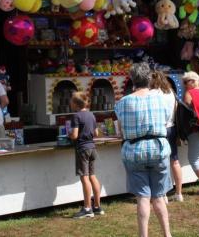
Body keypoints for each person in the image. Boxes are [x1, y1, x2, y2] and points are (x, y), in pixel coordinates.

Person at [115, 63, 172, 237]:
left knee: (143, 197)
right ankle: (167, 234)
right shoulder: (162, 98)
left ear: (132, 80)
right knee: (159, 196)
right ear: (149, 78)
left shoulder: (122, 103)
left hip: (134, 151)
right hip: (158, 149)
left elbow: (120, 132)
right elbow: (168, 122)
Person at [68, 91, 104, 218]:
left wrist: (69, 134)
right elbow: (96, 133)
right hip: (92, 148)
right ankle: (97, 207)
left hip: (82, 149)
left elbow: (75, 135)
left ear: (74, 104)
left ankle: (87, 208)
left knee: (85, 178)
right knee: (93, 176)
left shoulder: (76, 116)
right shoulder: (91, 115)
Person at [149, 71, 183, 202]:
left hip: (159, 130)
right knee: (175, 160)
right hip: (172, 128)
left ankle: (162, 194)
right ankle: (179, 193)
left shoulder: (152, 94)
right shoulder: (171, 92)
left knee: (160, 163)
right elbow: (176, 109)